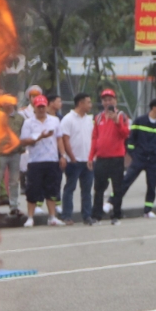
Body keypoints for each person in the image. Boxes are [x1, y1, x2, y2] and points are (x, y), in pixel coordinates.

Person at [115, 99, 156, 221]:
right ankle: (112, 203)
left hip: (152, 161)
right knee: (126, 180)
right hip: (139, 158)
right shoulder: (140, 121)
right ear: (154, 108)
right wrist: (134, 154)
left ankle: (148, 210)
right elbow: (131, 139)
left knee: (152, 184)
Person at [18, 95, 67, 227]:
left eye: (43, 106)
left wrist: (63, 155)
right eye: (38, 107)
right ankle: (30, 217)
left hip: (52, 159)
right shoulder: (28, 123)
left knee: (52, 189)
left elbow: (59, 138)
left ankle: (52, 217)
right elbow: (23, 141)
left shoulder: (55, 120)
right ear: (34, 107)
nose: (41, 109)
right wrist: (39, 137)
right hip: (35, 161)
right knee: (33, 189)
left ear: (46, 106)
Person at [90, 88, 130, 225]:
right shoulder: (98, 117)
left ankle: (116, 215)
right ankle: (96, 216)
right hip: (101, 158)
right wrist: (91, 156)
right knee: (99, 188)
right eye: (105, 100)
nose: (108, 102)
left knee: (117, 187)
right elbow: (95, 137)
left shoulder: (121, 115)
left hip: (116, 157)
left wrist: (117, 122)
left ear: (115, 100)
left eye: (110, 99)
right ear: (102, 102)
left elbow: (125, 134)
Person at [60, 92, 94, 225]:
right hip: (73, 161)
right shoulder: (68, 119)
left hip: (88, 161)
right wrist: (72, 157)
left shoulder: (89, 119)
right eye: (88, 102)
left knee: (87, 190)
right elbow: (65, 139)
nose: (90, 105)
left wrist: (91, 157)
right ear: (80, 103)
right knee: (70, 188)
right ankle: (67, 215)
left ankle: (87, 216)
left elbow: (92, 139)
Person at [0, 96, 25, 214]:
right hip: (0, 153)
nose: (7, 105)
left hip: (15, 154)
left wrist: (21, 149)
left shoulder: (19, 118)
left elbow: (23, 133)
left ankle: (14, 206)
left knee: (14, 181)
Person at [18, 85, 44, 202]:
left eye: (37, 96)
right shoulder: (23, 112)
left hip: (41, 142)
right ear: (29, 98)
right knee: (24, 162)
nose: (35, 99)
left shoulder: (43, 111)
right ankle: (23, 184)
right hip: (27, 141)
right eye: (33, 96)